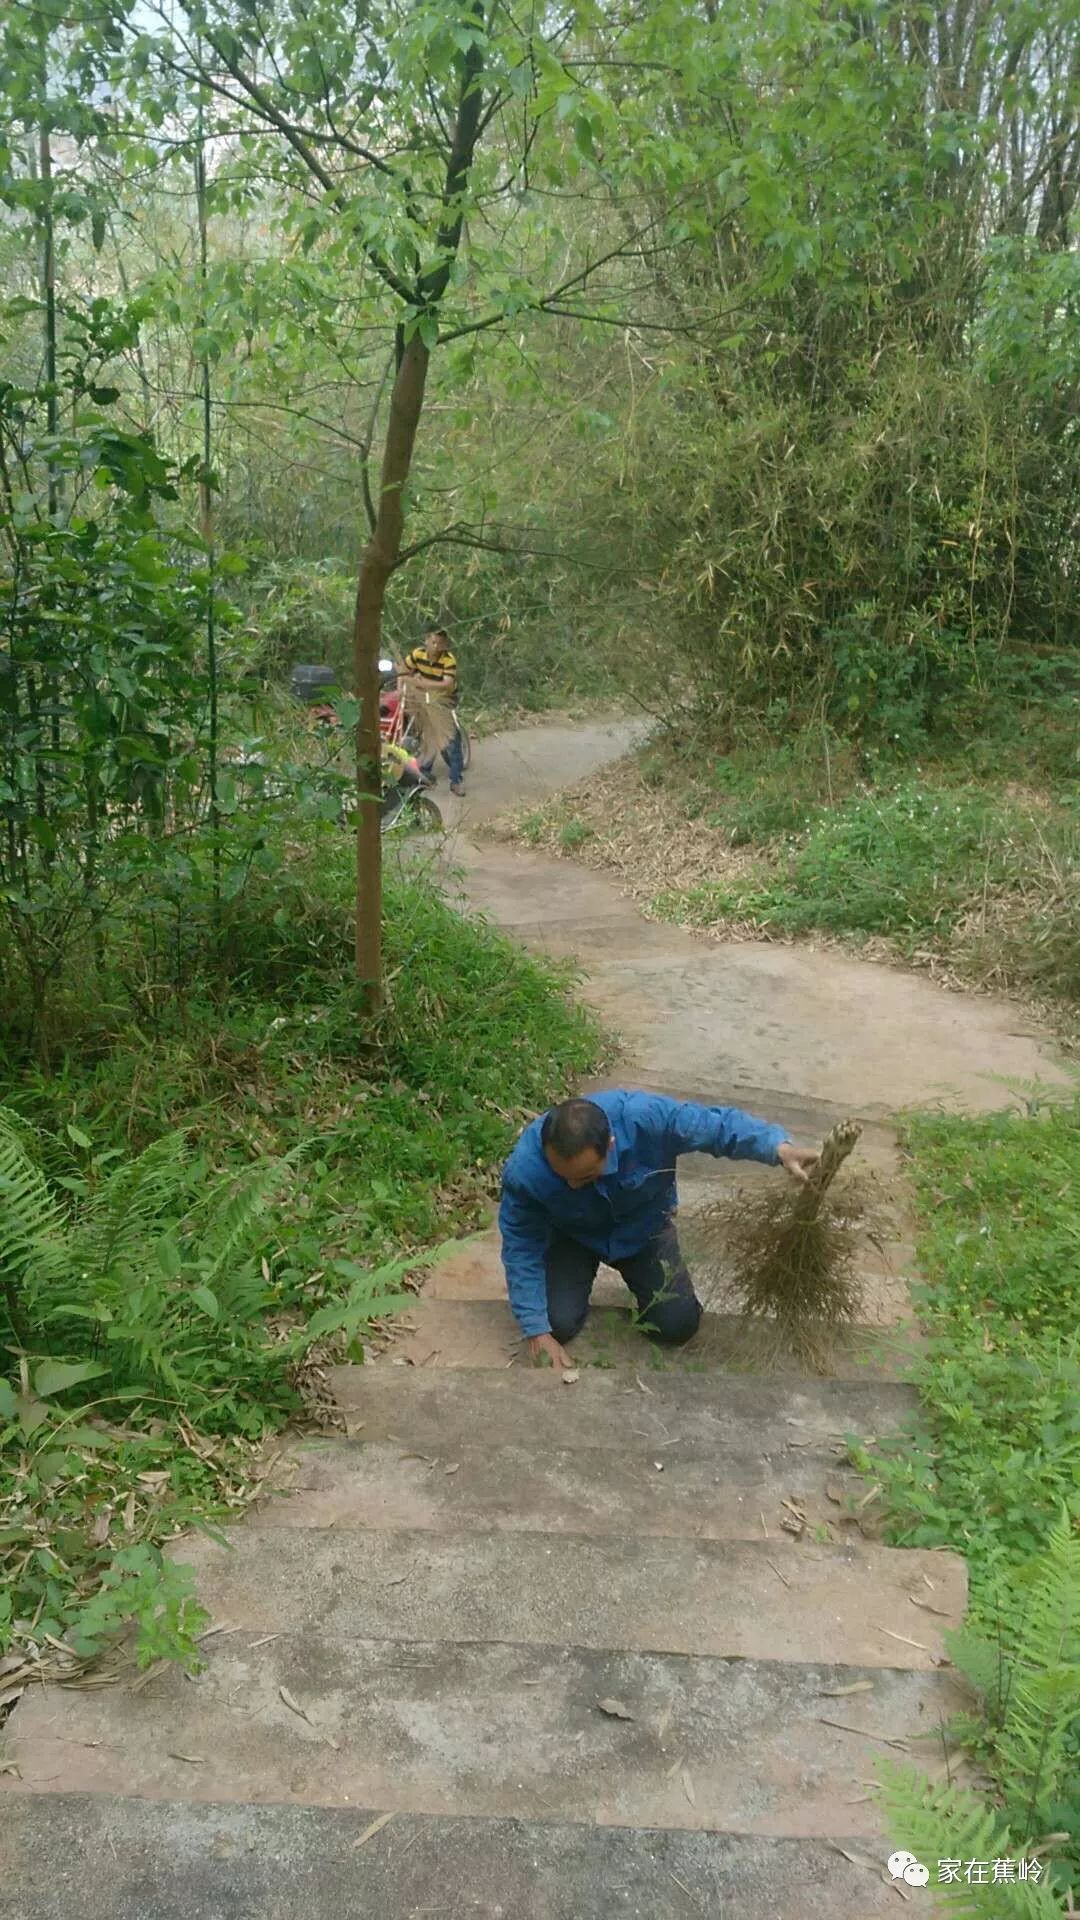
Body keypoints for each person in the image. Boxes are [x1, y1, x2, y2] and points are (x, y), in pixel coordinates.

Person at [498, 1089, 820, 1368]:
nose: (571, 1184)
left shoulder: (646, 1118)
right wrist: (536, 1329)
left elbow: (716, 1126)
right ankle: (572, 1281)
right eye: (562, 1177)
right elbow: (520, 1244)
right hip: (574, 1235)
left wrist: (778, 1149)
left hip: (644, 1229)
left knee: (677, 1325)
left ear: (610, 1145)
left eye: (583, 1177)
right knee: (555, 1324)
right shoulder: (526, 1170)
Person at [399, 626, 465, 796]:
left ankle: (456, 780)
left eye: (440, 644)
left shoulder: (448, 660)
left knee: (452, 739)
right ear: (426, 640)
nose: (436, 647)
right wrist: (403, 689)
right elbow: (402, 672)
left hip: (443, 699)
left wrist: (421, 683)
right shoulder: (417, 654)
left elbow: (447, 684)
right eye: (433, 642)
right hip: (424, 698)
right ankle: (425, 771)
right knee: (426, 733)